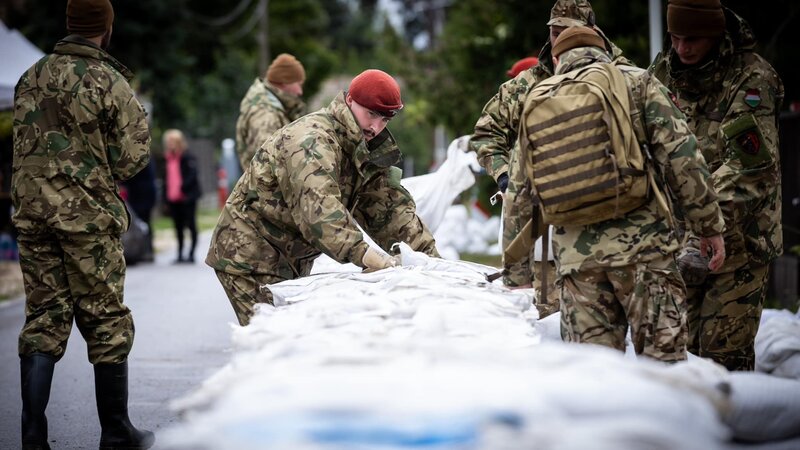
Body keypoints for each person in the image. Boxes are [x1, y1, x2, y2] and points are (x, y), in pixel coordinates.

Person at [534, 26, 725, 362]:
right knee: (664, 369)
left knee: (594, 375)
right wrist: (708, 226)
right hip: (644, 251)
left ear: (555, 57)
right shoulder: (637, 82)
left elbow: (522, 188)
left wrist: (517, 269)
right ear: (606, 49)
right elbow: (682, 158)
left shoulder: (539, 97)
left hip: (577, 262)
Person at [11, 0, 154, 448]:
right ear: (105, 29)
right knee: (106, 320)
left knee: (44, 317)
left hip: (34, 217)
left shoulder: (29, 77)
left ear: (70, 24)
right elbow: (133, 157)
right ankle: (116, 432)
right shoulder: (108, 81)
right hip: (87, 220)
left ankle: (32, 434)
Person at [207, 69, 439, 326]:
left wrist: (430, 261)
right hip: (249, 254)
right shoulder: (311, 140)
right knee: (273, 340)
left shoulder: (362, 147)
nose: (376, 127)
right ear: (350, 101)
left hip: (289, 256)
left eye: (384, 120)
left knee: (294, 340)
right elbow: (319, 210)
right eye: (370, 114)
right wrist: (364, 254)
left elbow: (388, 210)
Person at [649, 0, 784, 371]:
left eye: (692, 39)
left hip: (740, 243)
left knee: (723, 360)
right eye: (675, 38)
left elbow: (749, 166)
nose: (682, 49)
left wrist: (705, 225)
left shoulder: (751, 79)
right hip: (678, 244)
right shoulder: (663, 73)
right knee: (677, 359)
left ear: (715, 34)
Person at [470, 0, 628, 316]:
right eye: (554, 33)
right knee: (547, 332)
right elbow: (487, 133)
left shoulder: (622, 78)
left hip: (613, 237)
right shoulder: (528, 85)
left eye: (566, 32)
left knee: (608, 344)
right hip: (544, 242)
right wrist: (503, 175)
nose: (558, 42)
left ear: (591, 32)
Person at [235, 53, 307, 171]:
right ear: (284, 81)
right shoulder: (265, 115)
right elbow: (267, 164)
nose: (300, 92)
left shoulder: (272, 108)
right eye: (298, 84)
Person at [162, 129, 202, 264]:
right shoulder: (167, 158)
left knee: (191, 225)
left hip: (187, 197)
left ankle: (191, 253)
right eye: (168, 142)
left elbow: (192, 176)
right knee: (178, 227)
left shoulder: (188, 156)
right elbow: (166, 179)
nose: (170, 144)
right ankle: (179, 254)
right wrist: (165, 198)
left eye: (172, 141)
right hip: (173, 198)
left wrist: (183, 188)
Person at [122, 159, 157, 262]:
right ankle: (145, 250)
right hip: (139, 194)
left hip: (143, 195)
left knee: (144, 224)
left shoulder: (140, 158)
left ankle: (146, 250)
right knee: (143, 224)